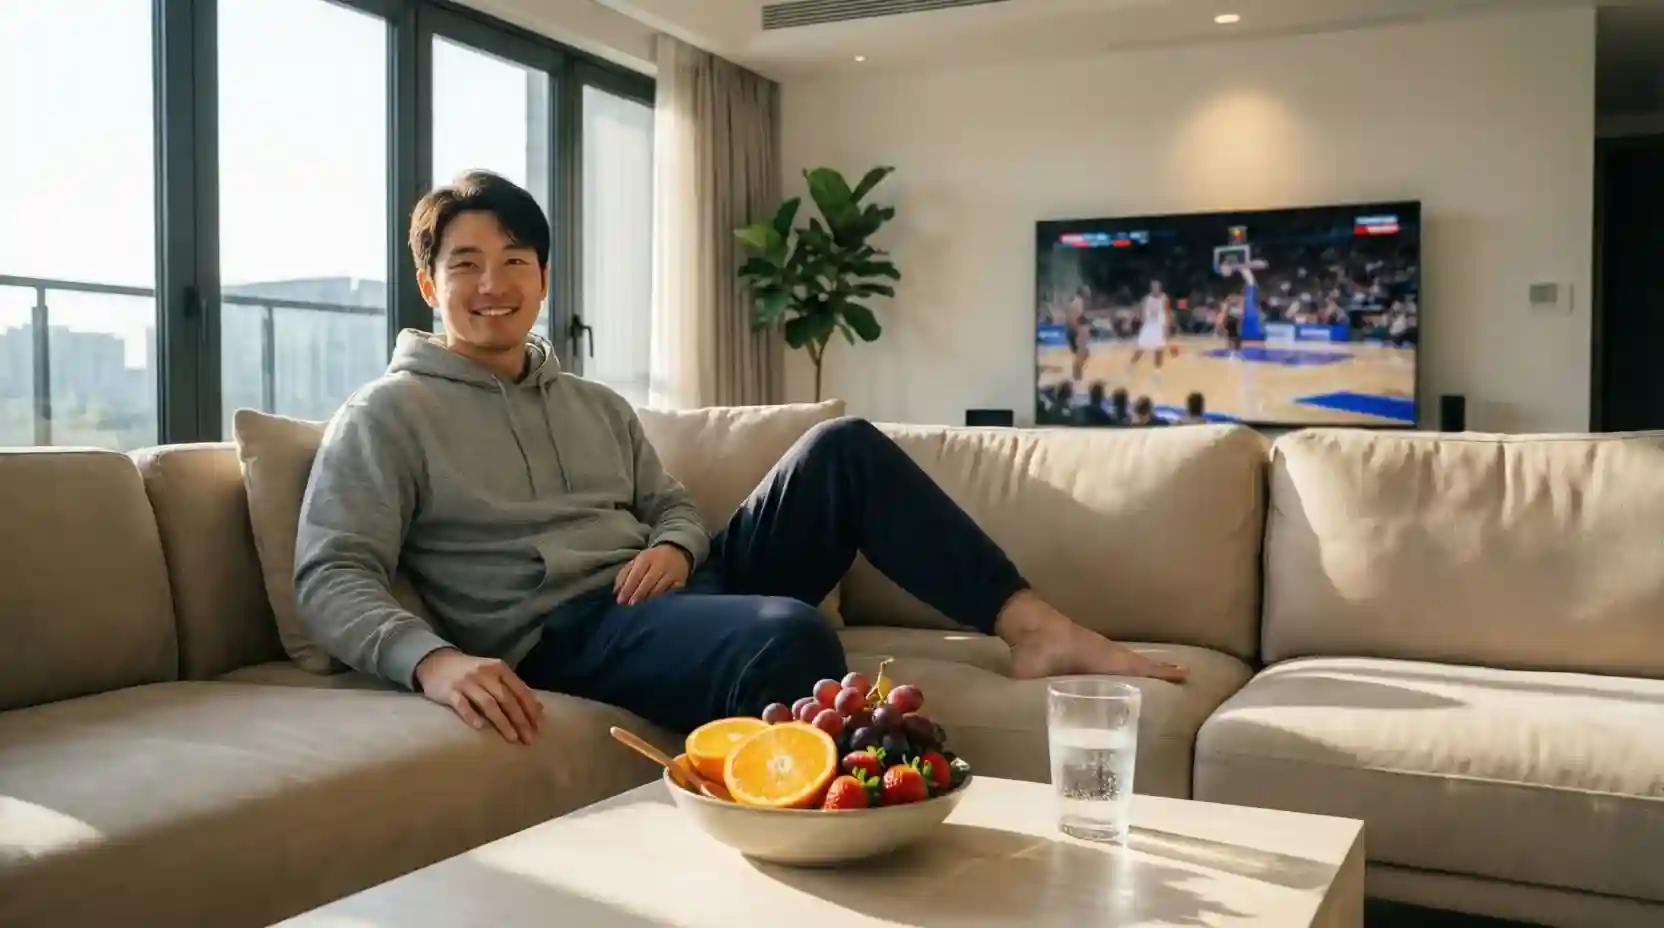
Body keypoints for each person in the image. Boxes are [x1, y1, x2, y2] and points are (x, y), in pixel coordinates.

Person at [294, 171, 1186, 745]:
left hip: (676, 590)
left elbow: (671, 502)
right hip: (563, 636)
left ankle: (1034, 628)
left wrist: (678, 546)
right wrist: (434, 660)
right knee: (788, 632)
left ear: (543, 277)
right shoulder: (387, 414)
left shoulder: (592, 403)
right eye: (466, 264)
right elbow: (333, 573)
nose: (492, 285)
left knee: (845, 449)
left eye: (514, 260)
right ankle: (861, 808)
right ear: (428, 284)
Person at [1127, 279, 1170, 378]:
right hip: (1148, 326)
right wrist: (1133, 322)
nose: (1155, 289)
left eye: (1157, 287)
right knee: (1141, 349)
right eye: (1153, 287)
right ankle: (1131, 366)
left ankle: (1157, 373)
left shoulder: (1164, 298)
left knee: (1159, 350)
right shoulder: (1146, 299)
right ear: (1151, 288)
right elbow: (1140, 312)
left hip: (1159, 326)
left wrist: (1166, 328)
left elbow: (1166, 313)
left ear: (1160, 288)